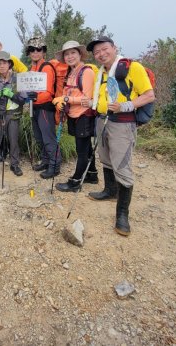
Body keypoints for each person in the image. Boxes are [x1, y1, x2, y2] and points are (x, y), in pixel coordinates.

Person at [86, 36, 155, 236]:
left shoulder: (132, 67)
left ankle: (122, 214)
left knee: (122, 166)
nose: (100, 54)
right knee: (105, 159)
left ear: (114, 48)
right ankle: (110, 191)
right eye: (96, 52)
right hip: (101, 120)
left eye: (104, 49)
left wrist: (125, 106)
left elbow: (149, 95)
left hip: (122, 124)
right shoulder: (102, 72)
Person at [53, 41, 99, 192]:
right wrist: (63, 100)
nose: (70, 56)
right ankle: (91, 174)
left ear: (80, 54)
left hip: (83, 115)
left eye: (73, 53)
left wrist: (66, 99)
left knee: (81, 150)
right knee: (86, 147)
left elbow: (87, 99)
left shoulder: (86, 72)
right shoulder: (71, 72)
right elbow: (70, 93)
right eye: (67, 54)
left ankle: (75, 181)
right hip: (73, 114)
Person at [0, 51, 26, 181]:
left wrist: (12, 95)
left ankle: (15, 165)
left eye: (4, 63)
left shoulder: (18, 79)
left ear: (9, 64)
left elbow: (23, 100)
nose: (1, 66)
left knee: (13, 141)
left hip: (13, 115)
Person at [25, 36, 61, 179]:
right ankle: (46, 161)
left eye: (38, 49)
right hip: (36, 107)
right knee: (40, 138)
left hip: (45, 108)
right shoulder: (33, 68)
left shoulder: (46, 67)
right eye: (32, 50)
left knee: (48, 138)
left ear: (43, 52)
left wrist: (34, 97)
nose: (35, 52)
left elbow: (48, 93)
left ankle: (55, 166)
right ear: (29, 52)